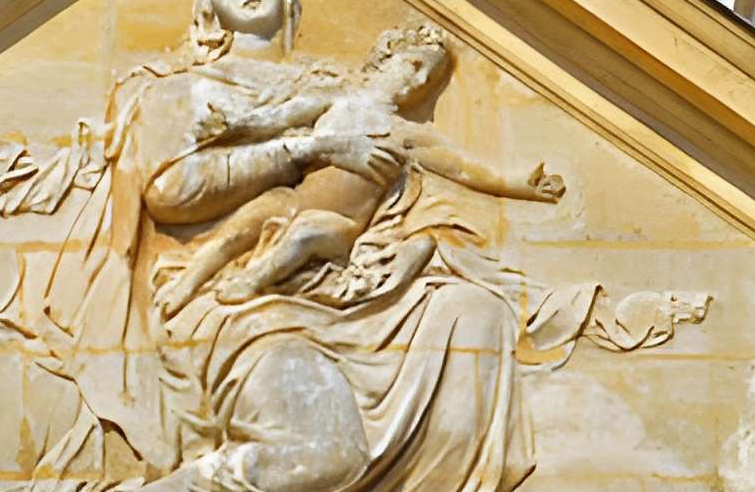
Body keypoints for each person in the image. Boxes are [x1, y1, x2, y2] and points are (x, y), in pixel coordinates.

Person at [150, 22, 566, 318]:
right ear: (385, 59)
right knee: (247, 221)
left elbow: (465, 170)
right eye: (413, 65)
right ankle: (190, 281)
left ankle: (254, 280)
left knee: (308, 231)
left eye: (430, 75)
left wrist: (524, 187)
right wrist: (234, 126)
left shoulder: (406, 134)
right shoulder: (336, 98)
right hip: (292, 200)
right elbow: (276, 118)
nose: (420, 81)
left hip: (341, 224)